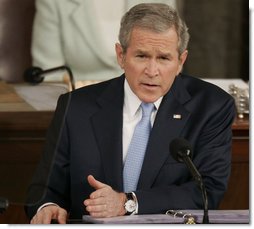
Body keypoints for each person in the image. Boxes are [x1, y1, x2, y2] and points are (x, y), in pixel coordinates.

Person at [25, 3, 236, 224]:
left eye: (164, 58)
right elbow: (44, 189)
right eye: (142, 56)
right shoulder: (75, 106)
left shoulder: (211, 107)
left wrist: (128, 203)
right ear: (121, 55)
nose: (152, 71)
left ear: (181, 61)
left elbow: (207, 192)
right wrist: (47, 207)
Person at [31, 0, 177, 86]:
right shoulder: (55, 2)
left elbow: (170, 63)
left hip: (149, 105)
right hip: (82, 107)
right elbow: (48, 75)